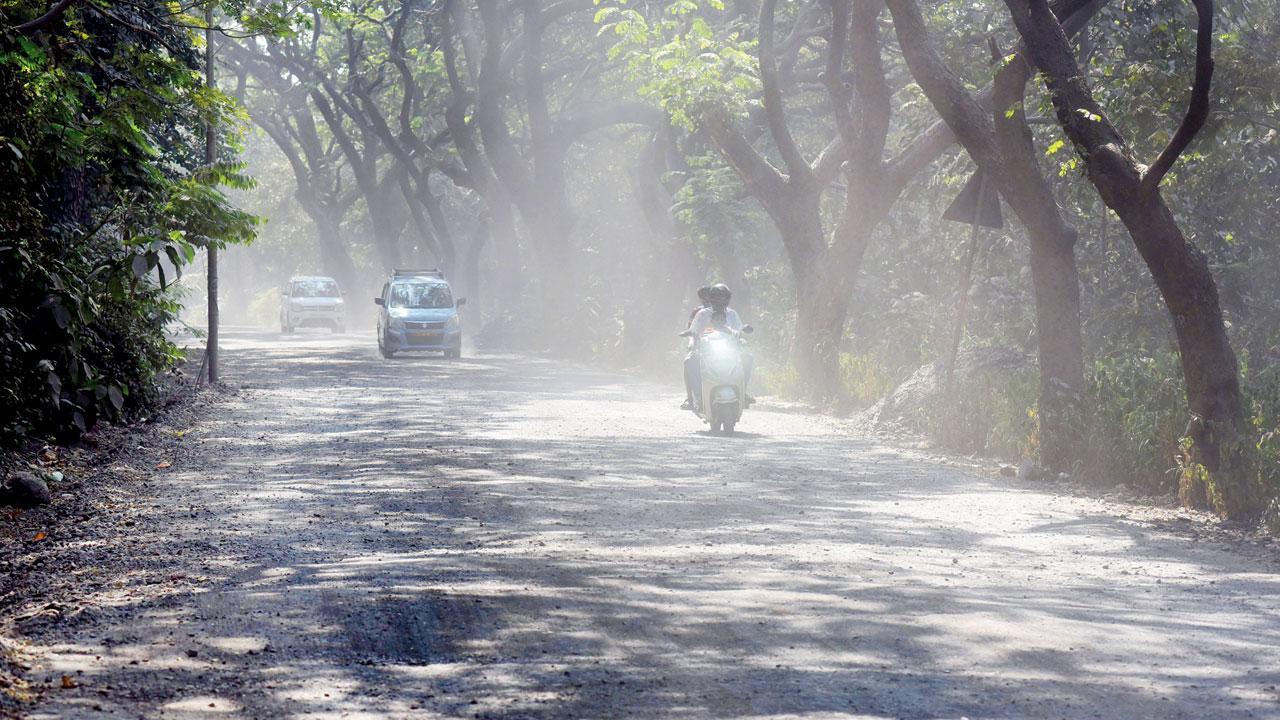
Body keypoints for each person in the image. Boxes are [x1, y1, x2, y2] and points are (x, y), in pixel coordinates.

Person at [682, 284, 753, 410]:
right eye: (716, 297)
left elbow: (738, 330)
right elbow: (693, 331)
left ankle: (743, 392)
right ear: (711, 298)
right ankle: (695, 397)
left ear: (728, 299)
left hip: (729, 350)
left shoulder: (732, 314)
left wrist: (742, 339)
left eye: (723, 298)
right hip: (706, 350)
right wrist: (693, 344)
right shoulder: (702, 314)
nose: (720, 300)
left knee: (748, 357)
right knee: (690, 362)